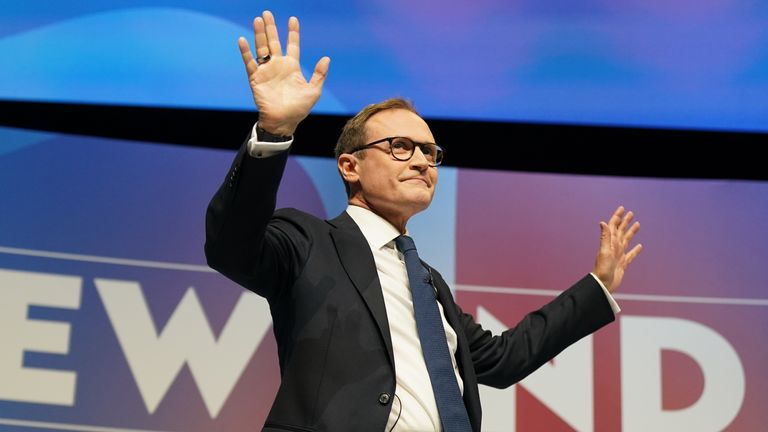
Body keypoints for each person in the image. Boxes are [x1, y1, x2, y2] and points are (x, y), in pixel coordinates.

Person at [205, 11, 642, 432]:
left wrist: (597, 286)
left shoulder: (429, 284)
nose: (420, 162)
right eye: (400, 146)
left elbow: (504, 359)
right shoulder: (309, 242)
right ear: (349, 166)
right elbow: (232, 246)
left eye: (429, 152)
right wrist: (275, 131)